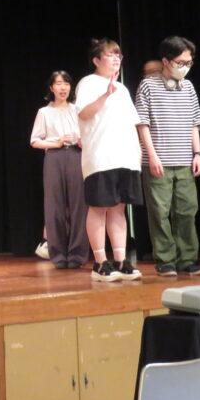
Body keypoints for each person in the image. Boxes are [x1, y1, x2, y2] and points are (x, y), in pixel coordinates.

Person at [135, 35, 200, 277]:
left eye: (189, 62)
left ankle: (188, 259)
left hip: (185, 160)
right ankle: (165, 260)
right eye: (180, 62)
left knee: (187, 211)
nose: (185, 67)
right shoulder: (147, 86)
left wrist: (197, 153)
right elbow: (142, 123)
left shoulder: (189, 87)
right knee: (159, 212)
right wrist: (152, 155)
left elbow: (195, 123)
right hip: (158, 161)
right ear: (166, 61)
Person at [76, 38, 144, 283]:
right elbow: (84, 113)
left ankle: (121, 260)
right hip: (100, 157)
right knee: (99, 207)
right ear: (96, 60)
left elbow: (132, 123)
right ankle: (99, 262)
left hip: (125, 156)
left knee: (119, 207)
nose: (116, 59)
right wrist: (105, 94)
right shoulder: (88, 83)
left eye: (119, 55)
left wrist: (137, 153)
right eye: (110, 54)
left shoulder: (123, 89)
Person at [30, 71, 90, 270]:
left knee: (78, 205)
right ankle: (57, 255)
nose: (63, 87)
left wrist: (82, 141)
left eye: (66, 83)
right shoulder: (44, 112)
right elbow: (35, 141)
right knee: (54, 206)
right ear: (51, 88)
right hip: (54, 157)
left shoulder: (77, 110)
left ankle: (77, 254)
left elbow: (87, 134)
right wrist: (55, 143)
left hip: (75, 155)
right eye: (58, 84)